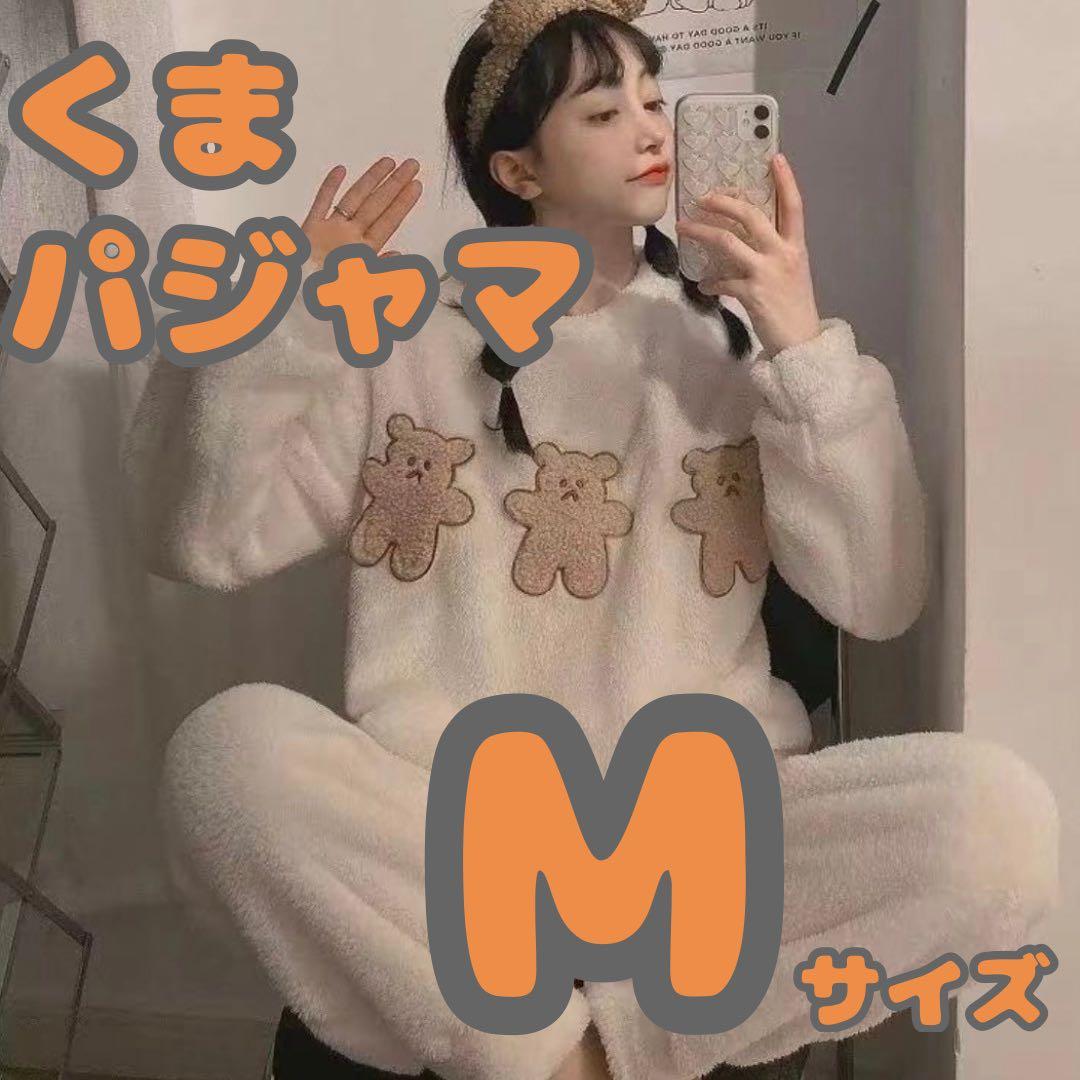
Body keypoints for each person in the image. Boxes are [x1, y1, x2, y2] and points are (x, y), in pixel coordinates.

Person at [123, 2, 1060, 1078]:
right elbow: (199, 540)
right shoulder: (399, 345)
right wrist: (280, 324)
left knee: (995, 820)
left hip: (696, 839)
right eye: (606, 111)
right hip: (455, 838)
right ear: (517, 171)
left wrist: (802, 344)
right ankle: (544, 1059)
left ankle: (630, 1050)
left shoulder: (736, 345)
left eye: (656, 101)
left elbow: (880, 596)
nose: (652, 129)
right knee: (224, 756)